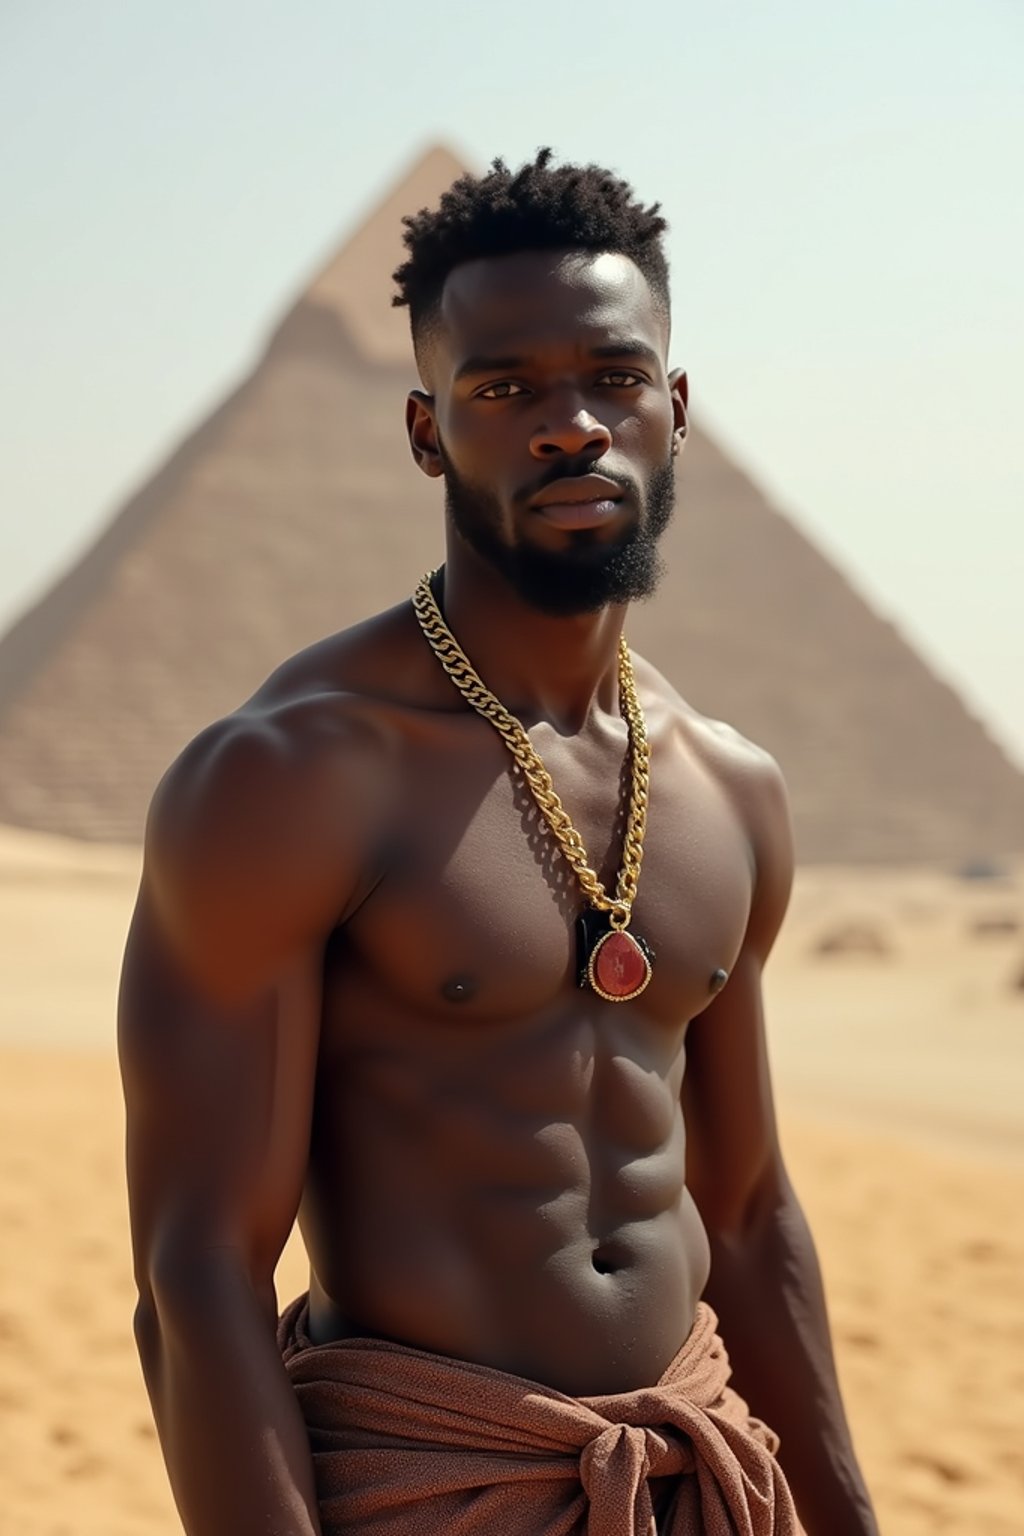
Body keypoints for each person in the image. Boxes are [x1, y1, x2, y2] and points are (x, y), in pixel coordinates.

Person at [119, 150, 879, 1536]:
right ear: (426, 432)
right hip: (427, 1485)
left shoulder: (733, 791)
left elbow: (754, 1214)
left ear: (677, 407)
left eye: (614, 377)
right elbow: (195, 1274)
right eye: (505, 387)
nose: (571, 424)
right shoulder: (293, 776)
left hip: (689, 1477)